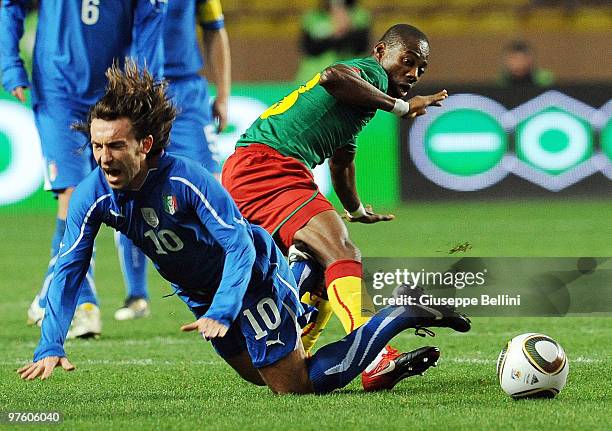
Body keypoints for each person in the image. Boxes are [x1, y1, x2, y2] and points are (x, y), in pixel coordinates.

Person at [16, 62, 471, 392]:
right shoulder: (93, 194)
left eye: (115, 146)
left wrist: (224, 308)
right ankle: (307, 281)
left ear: (145, 144)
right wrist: (49, 343)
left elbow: (238, 246)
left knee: (293, 384)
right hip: (203, 297)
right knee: (259, 376)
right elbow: (69, 267)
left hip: (248, 278)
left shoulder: (186, 180)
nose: (103, 158)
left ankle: (404, 312)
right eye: (97, 146)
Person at [221, 24, 448, 391]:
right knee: (341, 251)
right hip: (269, 167)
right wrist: (401, 106)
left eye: (420, 69)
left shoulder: (359, 106)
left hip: (253, 170)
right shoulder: (369, 73)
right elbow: (332, 76)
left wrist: (357, 210)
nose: (412, 74)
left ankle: (296, 348)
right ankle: (376, 355)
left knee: (322, 262)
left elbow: (342, 164)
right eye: (407, 61)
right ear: (380, 52)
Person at [0, 0, 166, 337]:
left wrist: (146, 85)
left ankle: (52, 293)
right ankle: (83, 304)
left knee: (119, 189)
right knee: (73, 192)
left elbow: (150, 18)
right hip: (57, 86)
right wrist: (9, 64)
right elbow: (11, 5)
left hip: (113, 89)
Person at [114, 0, 232, 321]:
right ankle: (136, 294)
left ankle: (228, 280)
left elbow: (215, 31)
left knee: (210, 187)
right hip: (135, 91)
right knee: (129, 189)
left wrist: (222, 94)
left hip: (186, 95)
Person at [295, 0, 371, 83]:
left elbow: (361, 46)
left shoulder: (359, 15)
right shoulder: (313, 16)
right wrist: (335, 36)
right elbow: (309, 48)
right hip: (313, 78)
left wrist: (348, 30)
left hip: (350, 77)